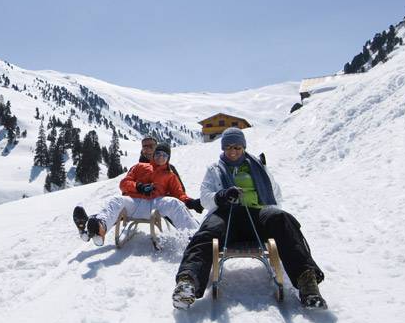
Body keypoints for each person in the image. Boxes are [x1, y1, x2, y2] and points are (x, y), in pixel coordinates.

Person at [172, 127, 327, 309]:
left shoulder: (258, 167)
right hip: (226, 215)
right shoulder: (214, 169)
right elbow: (205, 197)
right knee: (207, 232)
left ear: (243, 147)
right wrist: (221, 196)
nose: (233, 151)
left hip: (257, 214)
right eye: (229, 147)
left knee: (283, 220)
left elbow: (275, 194)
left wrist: (273, 215)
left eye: (237, 147)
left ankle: (307, 284)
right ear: (223, 148)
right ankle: (188, 282)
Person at [73, 143, 202, 243]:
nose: (160, 157)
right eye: (158, 154)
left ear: (168, 158)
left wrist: (191, 202)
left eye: (164, 155)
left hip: (155, 204)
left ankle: (197, 238)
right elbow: (123, 183)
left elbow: (179, 194)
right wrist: (138, 187)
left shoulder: (170, 175)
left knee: (174, 203)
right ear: (154, 155)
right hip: (134, 202)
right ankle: (100, 228)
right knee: (115, 200)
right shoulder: (140, 167)